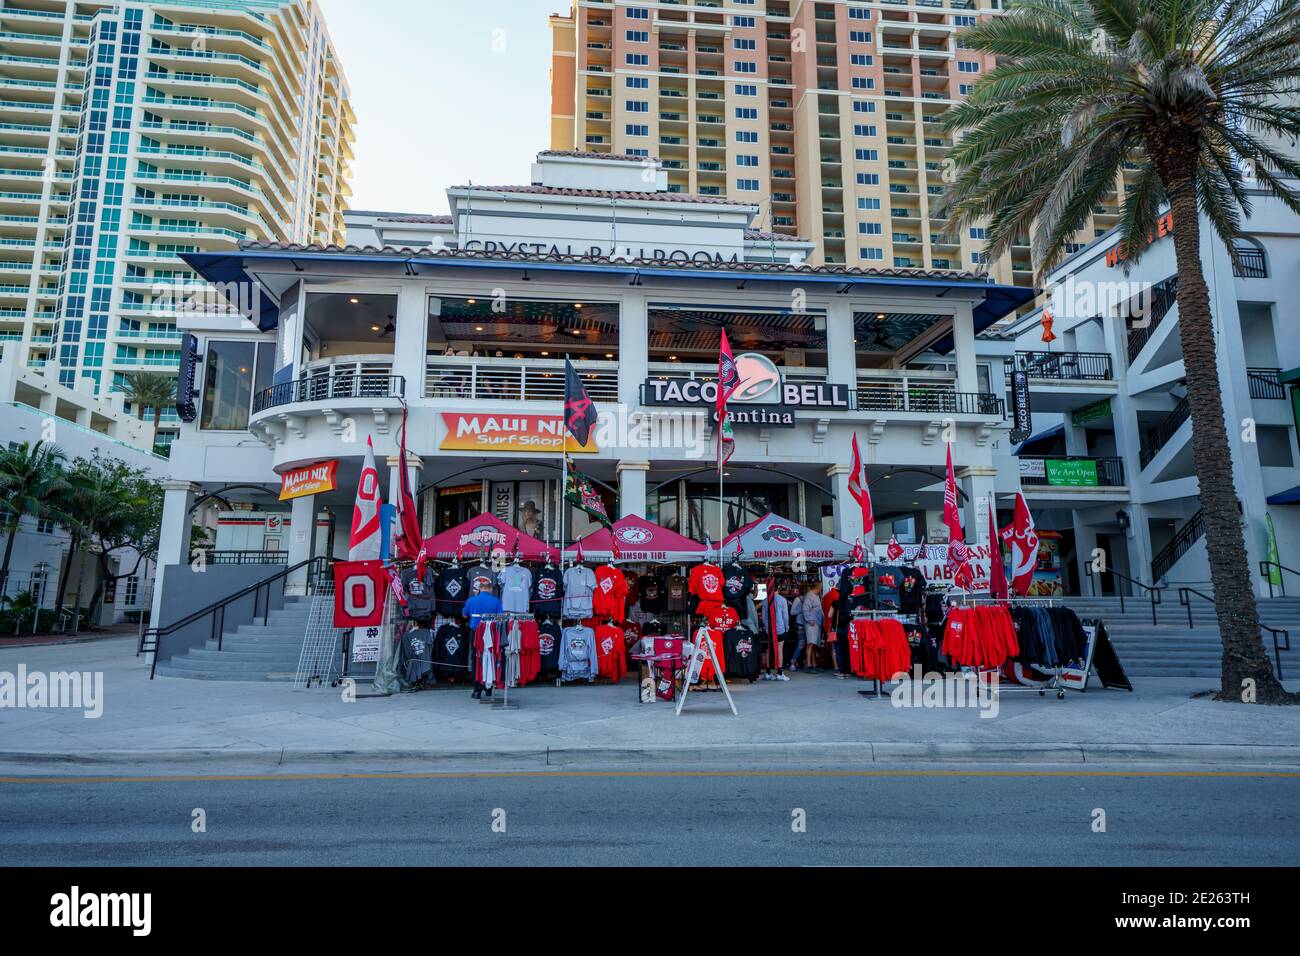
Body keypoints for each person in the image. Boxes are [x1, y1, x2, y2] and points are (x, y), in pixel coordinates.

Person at [762, 581, 790, 682]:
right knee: (779, 648)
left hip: (769, 629)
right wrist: (787, 627)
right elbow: (785, 616)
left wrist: (766, 627)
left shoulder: (765, 601)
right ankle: (780, 673)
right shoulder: (783, 600)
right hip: (780, 628)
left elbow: (764, 617)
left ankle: (768, 672)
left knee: (769, 649)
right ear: (778, 588)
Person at [798, 581, 825, 673]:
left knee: (814, 644)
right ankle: (808, 665)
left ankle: (814, 664)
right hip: (811, 623)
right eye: (820, 586)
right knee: (810, 644)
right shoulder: (809, 596)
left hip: (817, 623)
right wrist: (810, 620)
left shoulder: (816, 595)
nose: (821, 587)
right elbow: (805, 609)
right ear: (817, 586)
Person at [788, 583, 806, 671]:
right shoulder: (797, 599)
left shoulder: (806, 599)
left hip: (807, 624)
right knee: (801, 643)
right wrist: (802, 610)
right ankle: (793, 662)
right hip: (800, 624)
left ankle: (800, 661)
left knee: (804, 644)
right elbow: (792, 612)